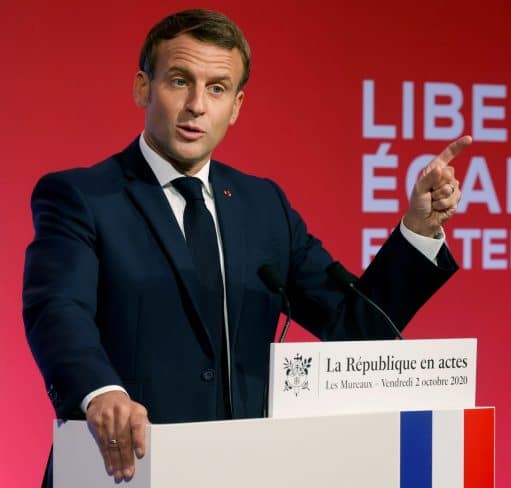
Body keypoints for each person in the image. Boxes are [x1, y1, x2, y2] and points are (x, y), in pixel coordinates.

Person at [23, 9, 470, 487]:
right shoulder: (83, 197)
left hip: (243, 469)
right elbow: (58, 309)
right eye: (179, 81)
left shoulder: (263, 206)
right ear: (142, 88)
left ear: (236, 106)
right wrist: (100, 391)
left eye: (217, 88)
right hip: (122, 467)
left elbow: (355, 328)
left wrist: (417, 230)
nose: (197, 105)